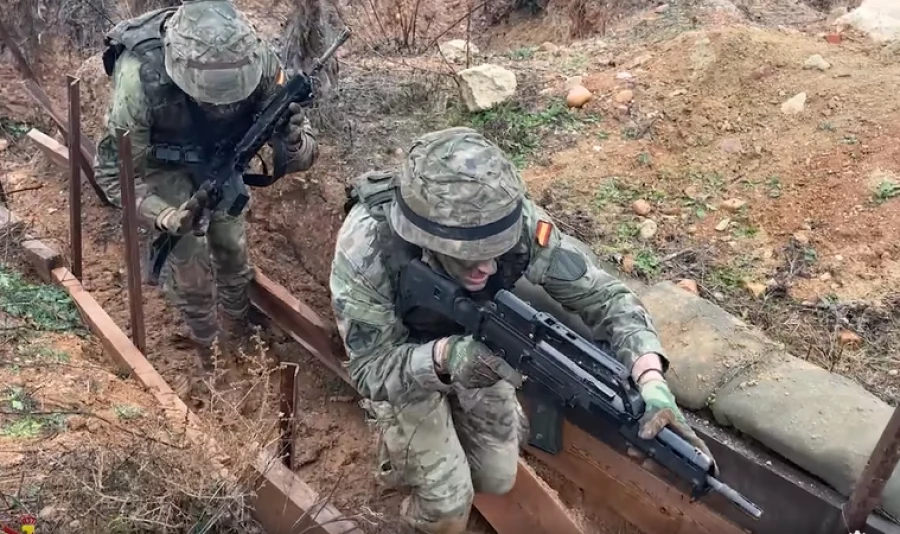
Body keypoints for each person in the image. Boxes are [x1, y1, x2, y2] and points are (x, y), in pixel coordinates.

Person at [330, 127, 717, 533]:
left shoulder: (512, 222)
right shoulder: (368, 246)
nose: (490, 268)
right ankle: (399, 466)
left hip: (480, 350)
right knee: (446, 504)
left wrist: (652, 381)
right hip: (402, 357)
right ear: (425, 241)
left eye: (497, 251)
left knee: (497, 475)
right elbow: (368, 368)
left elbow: (606, 298)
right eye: (470, 259)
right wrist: (445, 358)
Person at [93, 0, 318, 373]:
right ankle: (207, 345)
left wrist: (292, 141)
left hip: (223, 158)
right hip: (163, 162)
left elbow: (303, 158)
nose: (221, 106)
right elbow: (114, 175)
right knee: (188, 259)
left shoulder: (261, 63)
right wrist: (163, 215)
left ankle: (238, 320)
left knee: (231, 246)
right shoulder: (140, 79)